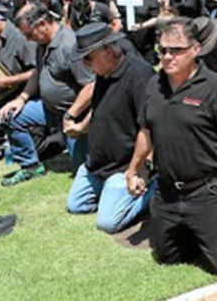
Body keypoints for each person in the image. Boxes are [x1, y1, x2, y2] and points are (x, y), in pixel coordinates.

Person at [126, 18, 217, 276]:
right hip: (167, 192)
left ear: (195, 50)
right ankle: (194, 231)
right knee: (166, 258)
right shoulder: (154, 85)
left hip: (207, 191)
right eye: (162, 50)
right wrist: (134, 170)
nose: (167, 56)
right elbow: (145, 131)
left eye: (176, 50)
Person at [65, 23, 156, 233]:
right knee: (76, 205)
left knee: (107, 223)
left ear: (108, 50)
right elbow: (98, 110)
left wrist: (143, 169)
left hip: (125, 166)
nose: (86, 65)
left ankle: (155, 188)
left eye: (88, 58)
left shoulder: (140, 75)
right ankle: (112, 193)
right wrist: (79, 128)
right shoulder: (103, 74)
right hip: (97, 165)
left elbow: (152, 126)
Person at [0, 6, 95, 186]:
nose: (27, 39)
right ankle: (31, 166)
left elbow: (90, 85)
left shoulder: (69, 44)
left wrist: (71, 114)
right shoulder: (42, 44)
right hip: (49, 109)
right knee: (8, 117)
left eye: (29, 34)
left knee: (82, 173)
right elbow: (37, 72)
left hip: (74, 114)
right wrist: (21, 98)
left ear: (42, 24)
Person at [0, 13, 36, 164]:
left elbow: (37, 72)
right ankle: (1, 145)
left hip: (26, 93)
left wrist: (7, 81)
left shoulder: (19, 38)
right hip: (2, 93)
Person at [116, 0, 161, 65]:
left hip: (145, 38)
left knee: (147, 65)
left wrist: (142, 25)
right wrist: (112, 0)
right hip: (129, 38)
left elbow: (156, 18)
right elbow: (116, 14)